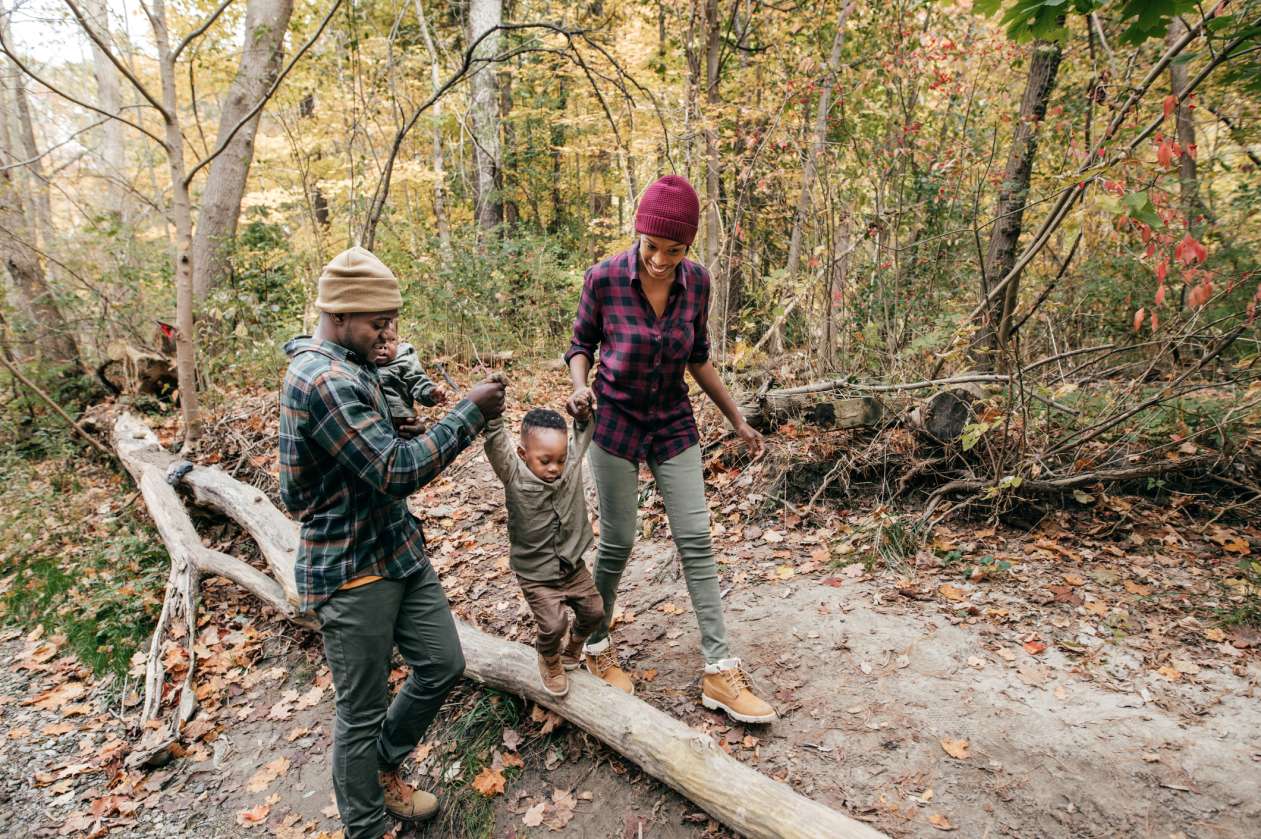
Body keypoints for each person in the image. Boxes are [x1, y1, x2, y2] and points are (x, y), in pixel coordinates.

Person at [279, 246, 506, 839]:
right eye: (379, 322)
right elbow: (396, 473)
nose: (389, 334)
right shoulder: (322, 379)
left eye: (392, 321)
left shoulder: (353, 369)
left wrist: (396, 424)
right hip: (352, 570)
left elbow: (370, 452)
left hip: (397, 550)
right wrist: (468, 414)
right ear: (340, 316)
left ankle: (380, 768)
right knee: (360, 712)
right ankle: (365, 825)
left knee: (441, 664)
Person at [564, 175, 777, 724]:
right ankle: (594, 644)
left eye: (674, 249)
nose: (660, 259)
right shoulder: (604, 278)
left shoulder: (698, 284)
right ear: (638, 233)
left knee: (696, 538)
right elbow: (579, 345)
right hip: (612, 422)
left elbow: (698, 356)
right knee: (618, 541)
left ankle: (718, 668)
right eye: (651, 245)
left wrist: (736, 418)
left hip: (672, 423)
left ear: (689, 247)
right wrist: (578, 386)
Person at [483, 407, 604, 697]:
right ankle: (549, 657)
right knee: (553, 623)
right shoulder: (514, 474)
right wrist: (493, 414)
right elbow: (496, 442)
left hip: (572, 567)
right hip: (536, 573)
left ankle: (574, 645)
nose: (554, 467)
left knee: (595, 611)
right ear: (524, 455)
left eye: (560, 460)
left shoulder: (569, 466)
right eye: (545, 460)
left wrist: (584, 412)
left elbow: (582, 432)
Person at [371, 336, 449, 428]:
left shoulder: (403, 359)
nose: (383, 346)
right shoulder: (358, 364)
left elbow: (418, 382)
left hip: (404, 425)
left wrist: (431, 392)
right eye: (377, 340)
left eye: (391, 340)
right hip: (373, 424)